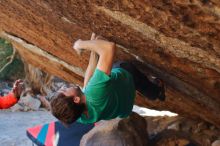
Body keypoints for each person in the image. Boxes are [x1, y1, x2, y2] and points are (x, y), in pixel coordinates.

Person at [50, 33, 165, 125]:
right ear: (75, 100)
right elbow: (109, 47)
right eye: (64, 91)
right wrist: (80, 44)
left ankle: (157, 95)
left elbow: (88, 83)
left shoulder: (79, 116)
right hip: (127, 78)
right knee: (122, 66)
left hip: (124, 107)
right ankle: (156, 91)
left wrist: (94, 48)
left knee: (102, 79)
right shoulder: (94, 91)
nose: (63, 86)